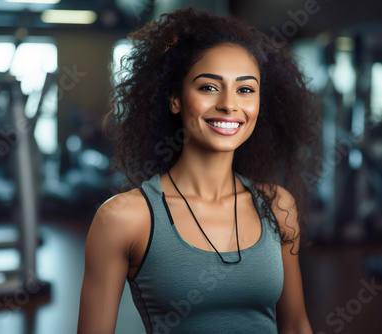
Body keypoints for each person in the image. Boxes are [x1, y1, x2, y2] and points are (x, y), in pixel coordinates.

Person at [77, 6, 318, 334]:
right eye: (208, 87)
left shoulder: (278, 205)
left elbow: (295, 326)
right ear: (175, 99)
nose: (229, 104)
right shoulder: (123, 219)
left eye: (245, 89)